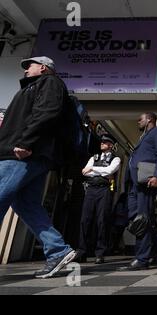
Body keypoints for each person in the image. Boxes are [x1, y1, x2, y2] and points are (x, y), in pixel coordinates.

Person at [0, 56, 77, 278]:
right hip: (27, 153)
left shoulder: (49, 83)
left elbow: (47, 112)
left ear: (43, 67)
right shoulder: (32, 87)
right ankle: (58, 251)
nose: (25, 70)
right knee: (27, 206)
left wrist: (26, 141)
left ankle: (57, 251)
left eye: (29, 66)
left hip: (23, 154)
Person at [119, 112, 157, 271]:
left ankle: (141, 259)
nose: (138, 122)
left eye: (140, 119)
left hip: (146, 182)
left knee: (142, 220)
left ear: (149, 119)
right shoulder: (143, 137)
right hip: (134, 185)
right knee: (134, 218)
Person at [76, 134, 121, 264]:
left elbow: (110, 171)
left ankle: (100, 253)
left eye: (105, 142)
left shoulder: (116, 158)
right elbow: (85, 172)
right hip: (91, 189)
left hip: (104, 190)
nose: (102, 143)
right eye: (102, 142)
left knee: (102, 221)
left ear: (111, 145)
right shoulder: (93, 157)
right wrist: (96, 170)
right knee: (85, 220)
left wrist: (93, 169)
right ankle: (82, 251)